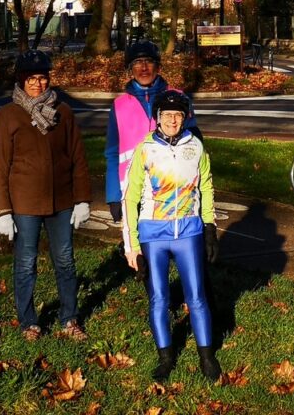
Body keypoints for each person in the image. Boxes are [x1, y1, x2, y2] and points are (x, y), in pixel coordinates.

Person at [0, 49, 92, 342]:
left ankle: (69, 318)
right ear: (21, 80)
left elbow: (78, 158)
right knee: (26, 263)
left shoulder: (64, 112)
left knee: (65, 261)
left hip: (62, 201)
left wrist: (82, 199)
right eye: (31, 78)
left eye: (43, 78)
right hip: (24, 203)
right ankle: (29, 323)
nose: (38, 83)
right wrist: (3, 211)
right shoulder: (8, 115)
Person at [124, 89, 221, 382]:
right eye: (166, 115)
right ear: (158, 117)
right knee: (158, 298)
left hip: (188, 231)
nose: (172, 120)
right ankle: (165, 357)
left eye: (178, 115)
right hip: (153, 233)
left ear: (185, 117)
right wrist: (132, 246)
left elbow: (206, 186)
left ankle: (207, 356)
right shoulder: (145, 149)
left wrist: (210, 227)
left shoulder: (196, 146)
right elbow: (130, 198)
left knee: (197, 296)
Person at [104, 39, 200, 231]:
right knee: (136, 245)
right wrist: (114, 196)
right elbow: (113, 153)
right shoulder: (119, 105)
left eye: (149, 61)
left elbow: (195, 143)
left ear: (158, 66)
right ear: (130, 68)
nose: (144, 67)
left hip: (173, 187)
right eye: (137, 63)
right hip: (132, 189)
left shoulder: (178, 97)